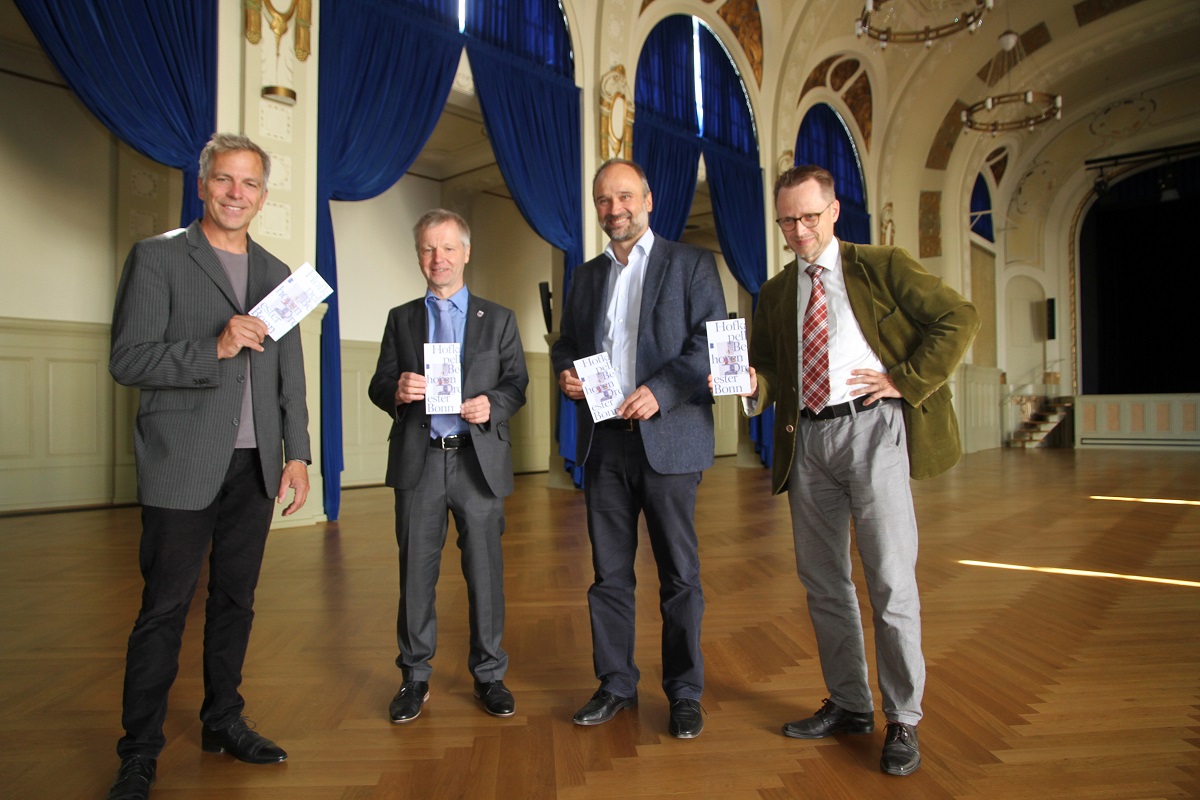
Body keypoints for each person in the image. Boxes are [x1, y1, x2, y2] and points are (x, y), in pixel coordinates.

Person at [741, 164, 980, 776]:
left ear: (835, 211)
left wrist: (905, 380)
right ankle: (850, 705)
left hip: (873, 429)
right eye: (787, 220)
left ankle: (903, 719)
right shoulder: (774, 292)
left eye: (809, 217)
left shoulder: (881, 264)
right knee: (823, 581)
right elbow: (770, 370)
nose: (798, 231)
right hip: (807, 439)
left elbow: (959, 317)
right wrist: (753, 385)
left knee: (891, 581)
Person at [106, 133, 312, 800]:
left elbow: (291, 376)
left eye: (249, 184)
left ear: (262, 195)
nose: (236, 193)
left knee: (236, 602)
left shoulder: (279, 277)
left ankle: (223, 719)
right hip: (181, 464)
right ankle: (138, 750)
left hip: (254, 467)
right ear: (203, 185)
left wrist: (300, 453)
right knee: (164, 609)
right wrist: (213, 347)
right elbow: (127, 359)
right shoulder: (158, 258)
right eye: (224, 180)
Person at [551, 159, 727, 739]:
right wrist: (568, 377)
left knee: (680, 575)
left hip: (670, 441)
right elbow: (568, 346)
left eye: (624, 196)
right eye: (603, 200)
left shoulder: (692, 264)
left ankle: (684, 693)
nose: (614, 209)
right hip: (606, 446)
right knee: (608, 575)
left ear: (648, 200)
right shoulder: (586, 276)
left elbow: (710, 346)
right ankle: (617, 684)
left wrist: (660, 390)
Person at [368, 209, 528, 725]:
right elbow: (378, 383)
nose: (438, 259)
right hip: (419, 464)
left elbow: (516, 384)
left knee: (485, 574)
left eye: (447, 248)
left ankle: (489, 674)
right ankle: (414, 677)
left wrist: (493, 406)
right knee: (416, 573)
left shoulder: (498, 318)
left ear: (465, 252)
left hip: (476, 462)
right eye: (428, 250)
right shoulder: (401, 318)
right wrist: (396, 390)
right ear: (419, 256)